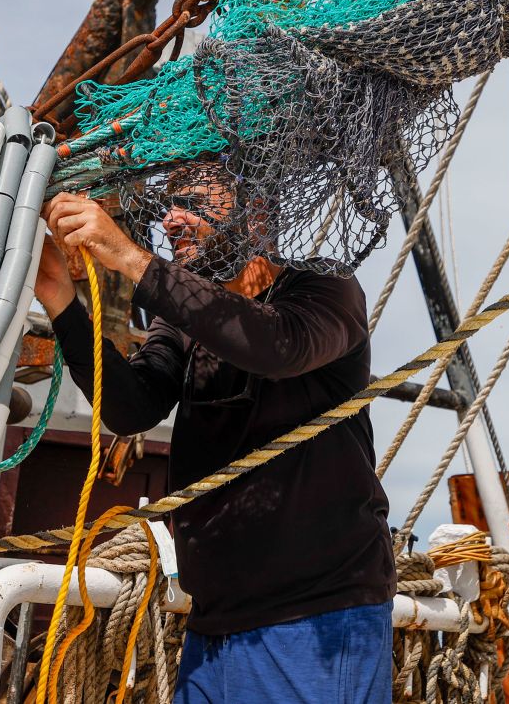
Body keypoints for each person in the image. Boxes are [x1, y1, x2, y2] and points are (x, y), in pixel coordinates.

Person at [36, 172, 396, 703]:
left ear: (257, 216)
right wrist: (62, 302)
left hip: (317, 620)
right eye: (168, 205)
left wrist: (130, 258)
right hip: (213, 627)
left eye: (192, 203)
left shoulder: (325, 290)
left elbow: (274, 346)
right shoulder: (180, 321)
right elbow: (132, 408)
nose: (170, 218)